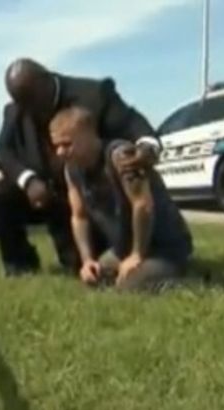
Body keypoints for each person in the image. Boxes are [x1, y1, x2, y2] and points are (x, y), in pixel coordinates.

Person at [0, 58, 161, 276]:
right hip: (41, 191)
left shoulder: (94, 94)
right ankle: (20, 265)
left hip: (84, 195)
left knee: (77, 264)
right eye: (22, 103)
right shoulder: (16, 111)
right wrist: (28, 181)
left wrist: (147, 147)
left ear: (47, 81)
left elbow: (132, 124)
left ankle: (113, 249)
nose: (30, 110)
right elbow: (3, 152)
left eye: (33, 100)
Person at [49, 105, 194, 292]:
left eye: (67, 144)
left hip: (164, 246)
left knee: (129, 286)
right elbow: (79, 216)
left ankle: (189, 279)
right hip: (123, 247)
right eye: (56, 146)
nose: (60, 152)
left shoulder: (121, 157)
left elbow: (143, 205)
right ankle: (144, 269)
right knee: (96, 279)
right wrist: (87, 260)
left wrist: (136, 255)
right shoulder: (71, 169)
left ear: (89, 136)